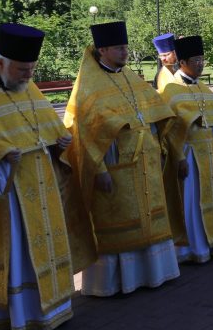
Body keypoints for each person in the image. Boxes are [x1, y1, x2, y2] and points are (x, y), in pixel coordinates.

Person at [64, 21, 180, 297]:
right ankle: (118, 282)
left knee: (150, 217)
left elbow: (154, 110)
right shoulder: (89, 87)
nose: (125, 52)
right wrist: (99, 169)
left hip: (144, 164)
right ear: (102, 49)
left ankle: (154, 273)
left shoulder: (130, 76)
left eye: (126, 46)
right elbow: (83, 134)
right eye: (119, 47)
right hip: (115, 166)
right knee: (120, 223)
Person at [0, 24, 88, 330]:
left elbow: (44, 127)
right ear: (1, 62)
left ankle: (54, 307)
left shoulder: (24, 83)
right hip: (10, 191)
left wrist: (55, 144)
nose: (27, 76)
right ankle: (20, 316)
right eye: (22, 69)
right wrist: (1, 156)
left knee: (46, 242)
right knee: (18, 253)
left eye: (32, 70)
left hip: (42, 180)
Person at [158, 36, 213, 263]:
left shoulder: (203, 88)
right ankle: (194, 249)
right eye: (196, 60)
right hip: (191, 156)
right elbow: (170, 130)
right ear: (182, 61)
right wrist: (179, 157)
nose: (201, 64)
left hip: (210, 154)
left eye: (203, 59)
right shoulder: (171, 90)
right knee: (193, 202)